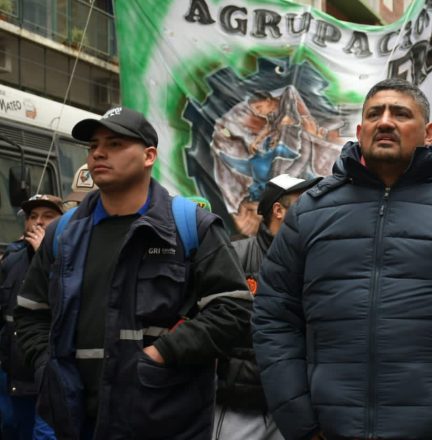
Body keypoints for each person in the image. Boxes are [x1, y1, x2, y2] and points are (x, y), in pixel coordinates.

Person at [251, 78, 432, 440]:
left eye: (401, 114)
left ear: (429, 132)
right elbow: (273, 317)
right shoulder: (312, 212)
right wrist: (302, 425)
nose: (385, 122)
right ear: (360, 131)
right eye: (374, 114)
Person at [14, 107, 253, 439]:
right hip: (74, 419)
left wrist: (160, 355)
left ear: (149, 156)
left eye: (114, 144)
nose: (98, 152)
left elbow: (234, 310)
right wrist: (47, 366)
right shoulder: (63, 234)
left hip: (164, 419)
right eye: (94, 145)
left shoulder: (190, 227)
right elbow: (30, 313)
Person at [214, 173, 319, 440]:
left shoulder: (319, 260)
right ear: (278, 210)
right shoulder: (235, 256)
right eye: (304, 200)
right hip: (242, 405)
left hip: (302, 408)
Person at [0, 195, 62, 440]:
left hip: (48, 376)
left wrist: (43, 257)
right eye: (33, 217)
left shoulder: (69, 259)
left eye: (48, 217)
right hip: (12, 378)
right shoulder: (11, 261)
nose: (38, 223)